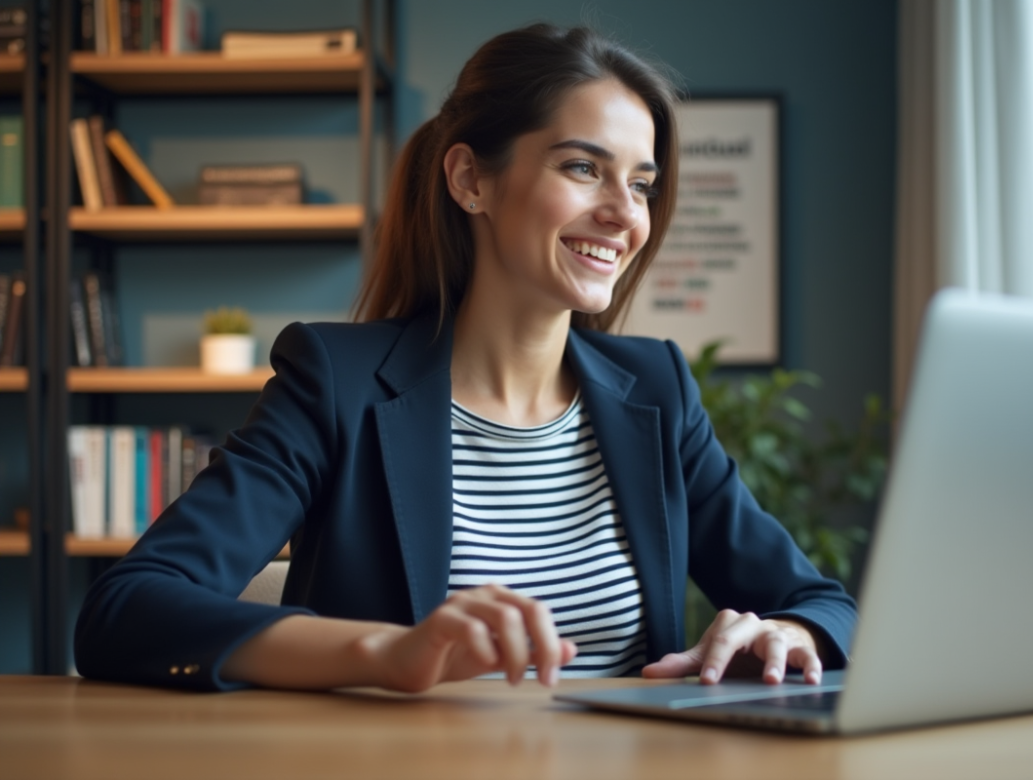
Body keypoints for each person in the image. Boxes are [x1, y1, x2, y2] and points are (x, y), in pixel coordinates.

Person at [74, 23, 856, 694]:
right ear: (470, 178)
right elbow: (127, 609)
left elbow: (822, 603)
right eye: (583, 168)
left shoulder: (658, 390)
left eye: (642, 184)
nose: (624, 215)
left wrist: (794, 635)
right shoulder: (336, 383)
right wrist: (386, 652)